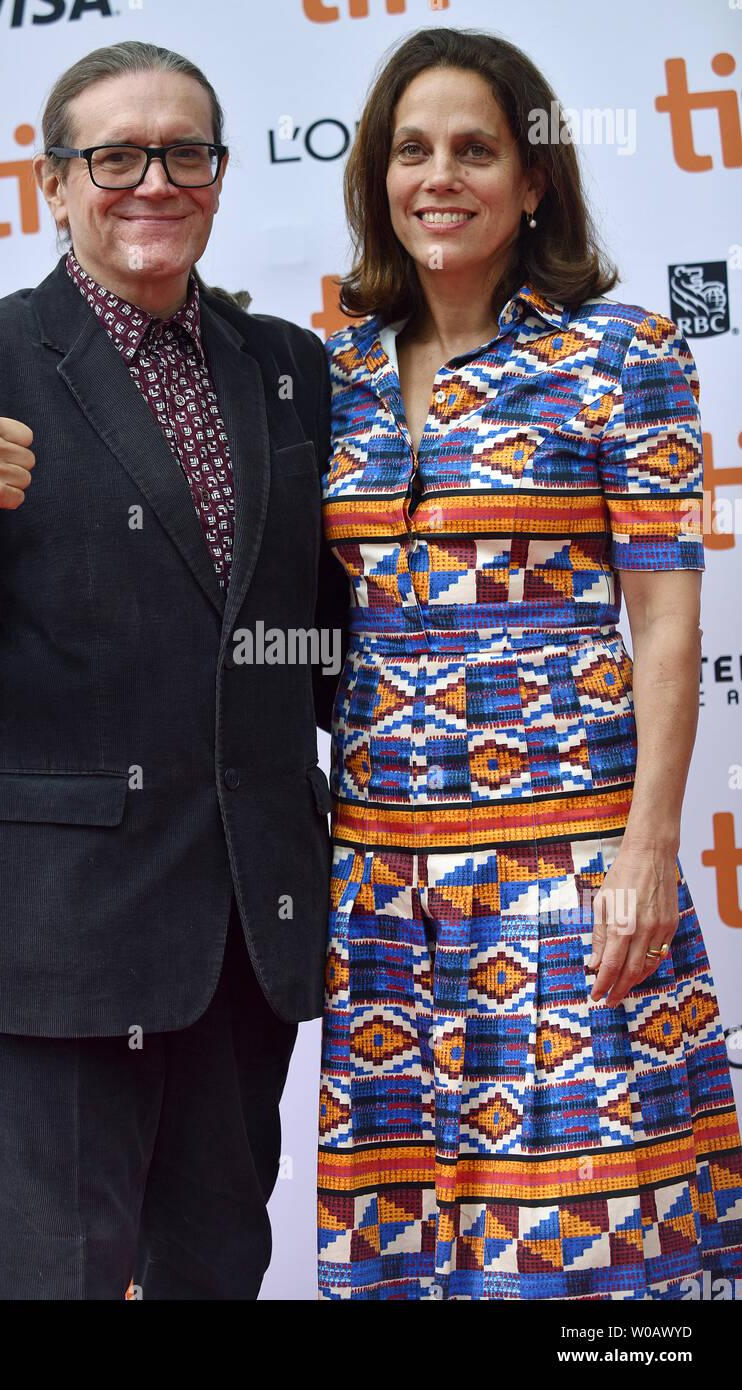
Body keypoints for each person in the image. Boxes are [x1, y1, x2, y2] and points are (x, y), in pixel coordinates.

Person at [0, 39, 346, 1301]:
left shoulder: (290, 365)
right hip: (59, 936)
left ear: (221, 178)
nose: (153, 179)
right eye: (115, 154)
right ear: (52, 183)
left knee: (218, 1269)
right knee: (61, 1286)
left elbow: (325, 635)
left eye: (185, 152)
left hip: (248, 926)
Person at [316, 26, 742, 1299]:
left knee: (599, 1234)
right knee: (410, 1235)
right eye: (410, 150)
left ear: (535, 179)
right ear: (377, 180)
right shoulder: (328, 373)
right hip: (382, 876)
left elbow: (666, 617)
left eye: (474, 149)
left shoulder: (624, 355)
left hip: (569, 863)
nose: (438, 176)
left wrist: (648, 847)